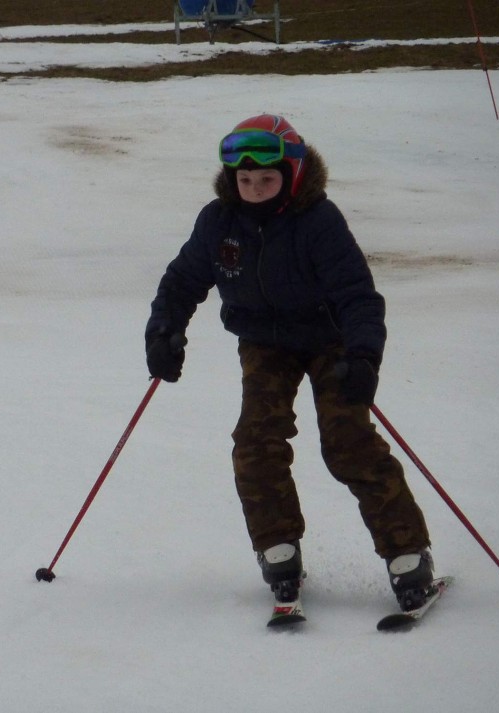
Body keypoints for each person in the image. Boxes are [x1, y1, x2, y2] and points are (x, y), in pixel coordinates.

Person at [145, 114, 436, 612]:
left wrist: (364, 356)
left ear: (292, 176)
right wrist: (164, 331)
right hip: (264, 343)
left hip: (331, 343)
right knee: (256, 441)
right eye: (244, 180)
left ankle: (408, 554)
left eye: (267, 179)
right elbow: (182, 281)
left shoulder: (318, 221)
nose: (254, 189)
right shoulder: (218, 222)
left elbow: (357, 296)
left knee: (347, 443)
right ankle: (277, 548)